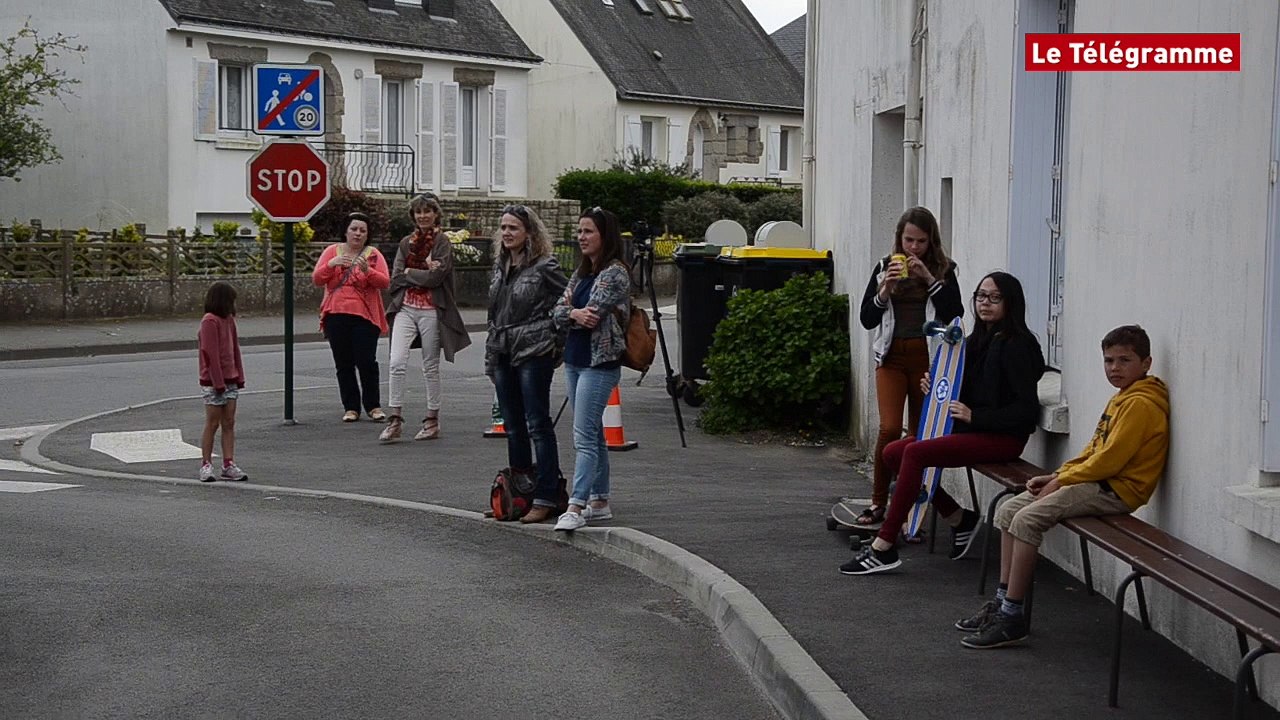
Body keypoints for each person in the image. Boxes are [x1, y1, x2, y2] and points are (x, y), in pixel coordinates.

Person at [958, 325, 1169, 649]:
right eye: (1109, 360)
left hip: (1116, 489)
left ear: (1146, 363)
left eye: (1124, 360)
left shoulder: (1141, 404)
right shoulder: (1123, 398)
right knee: (1010, 509)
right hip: (1093, 481)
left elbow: (1110, 461)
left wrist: (1061, 480)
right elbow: (1093, 450)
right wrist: (1059, 473)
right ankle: (1002, 602)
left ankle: (1013, 616)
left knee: (1027, 520)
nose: (1115, 368)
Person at [841, 271, 1045, 575]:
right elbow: (965, 387)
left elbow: (1025, 411)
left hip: (1002, 437)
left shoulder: (1018, 345)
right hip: (974, 431)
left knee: (915, 453)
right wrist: (935, 384)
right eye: (980, 296)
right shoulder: (977, 340)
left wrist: (976, 416)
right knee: (894, 452)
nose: (985, 303)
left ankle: (884, 546)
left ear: (1010, 302)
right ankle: (959, 519)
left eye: (994, 297)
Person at [856, 206, 964, 528]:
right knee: (889, 429)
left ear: (931, 242)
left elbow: (955, 314)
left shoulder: (944, 270)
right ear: (899, 239)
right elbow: (867, 319)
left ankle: (912, 508)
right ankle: (878, 501)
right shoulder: (884, 267)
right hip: (891, 357)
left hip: (927, 361)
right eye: (908, 240)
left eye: (920, 241)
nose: (913, 248)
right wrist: (884, 289)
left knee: (918, 437)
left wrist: (929, 279)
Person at [485, 204, 568, 524]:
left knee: (537, 424)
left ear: (529, 233)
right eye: (503, 227)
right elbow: (494, 315)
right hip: (503, 350)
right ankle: (519, 495)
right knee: (514, 426)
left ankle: (546, 496)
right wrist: (491, 356)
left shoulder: (545, 266)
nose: (506, 233)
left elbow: (567, 303)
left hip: (534, 351)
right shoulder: (500, 264)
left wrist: (554, 342)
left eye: (513, 228)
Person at [550, 207, 631, 532]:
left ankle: (576, 504)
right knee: (593, 434)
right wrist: (572, 314)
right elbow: (558, 311)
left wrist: (572, 313)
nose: (581, 237)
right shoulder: (582, 272)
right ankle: (600, 500)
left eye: (588, 231)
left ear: (604, 236)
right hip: (575, 358)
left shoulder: (614, 273)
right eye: (580, 231)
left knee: (582, 435)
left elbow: (593, 313)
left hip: (600, 363)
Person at [379, 194, 472, 443]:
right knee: (396, 361)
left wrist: (412, 272)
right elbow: (395, 278)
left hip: (431, 309)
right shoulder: (405, 243)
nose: (423, 216)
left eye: (427, 211)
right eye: (419, 212)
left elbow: (436, 278)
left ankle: (432, 420)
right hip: (406, 307)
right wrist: (418, 271)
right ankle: (395, 419)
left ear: (435, 214)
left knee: (430, 365)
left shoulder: (441, 242)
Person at [312, 212, 391, 422]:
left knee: (366, 362)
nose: (357, 233)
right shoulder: (331, 251)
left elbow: (384, 282)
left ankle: (373, 406)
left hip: (365, 316)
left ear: (367, 235)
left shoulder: (373, 254)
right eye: (354, 229)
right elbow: (317, 279)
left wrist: (369, 272)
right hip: (336, 315)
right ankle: (351, 407)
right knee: (343, 363)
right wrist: (331, 265)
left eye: (362, 230)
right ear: (346, 231)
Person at [197, 281, 247, 482]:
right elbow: (210, 354)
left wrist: (239, 376)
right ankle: (206, 464)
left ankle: (228, 463)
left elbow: (235, 350)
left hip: (231, 378)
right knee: (213, 422)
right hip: (213, 381)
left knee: (229, 422)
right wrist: (218, 382)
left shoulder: (229, 321)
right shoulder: (210, 321)